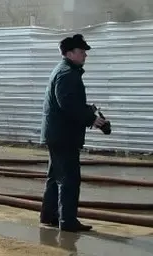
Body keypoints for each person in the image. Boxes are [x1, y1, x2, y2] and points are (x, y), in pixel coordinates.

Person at [40, 33, 108, 232]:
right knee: (69, 179)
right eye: (81, 51)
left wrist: (88, 111)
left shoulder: (63, 71)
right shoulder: (67, 74)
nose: (85, 55)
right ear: (69, 54)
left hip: (57, 134)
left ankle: (49, 216)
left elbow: (69, 103)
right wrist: (91, 119)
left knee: (56, 177)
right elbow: (67, 104)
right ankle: (67, 221)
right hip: (64, 136)